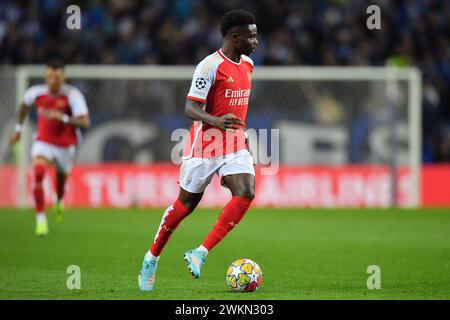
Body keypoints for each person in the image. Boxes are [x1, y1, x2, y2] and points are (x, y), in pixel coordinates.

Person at [138, 9, 258, 291]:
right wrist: (215, 121)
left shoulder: (249, 64)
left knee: (246, 192)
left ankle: (200, 252)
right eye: (251, 36)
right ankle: (152, 256)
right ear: (235, 36)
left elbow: (239, 106)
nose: (256, 41)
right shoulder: (209, 66)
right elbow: (190, 107)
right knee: (184, 207)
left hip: (234, 143)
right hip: (203, 146)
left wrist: (244, 136)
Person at [9, 60, 90, 236]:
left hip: (65, 146)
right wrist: (18, 129)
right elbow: (23, 105)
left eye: (57, 77)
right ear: (46, 76)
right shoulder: (35, 93)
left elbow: (85, 123)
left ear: (63, 77)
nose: (53, 80)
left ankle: (59, 199)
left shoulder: (72, 95)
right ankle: (40, 219)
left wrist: (63, 118)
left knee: (60, 183)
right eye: (50, 76)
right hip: (43, 142)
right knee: (38, 174)